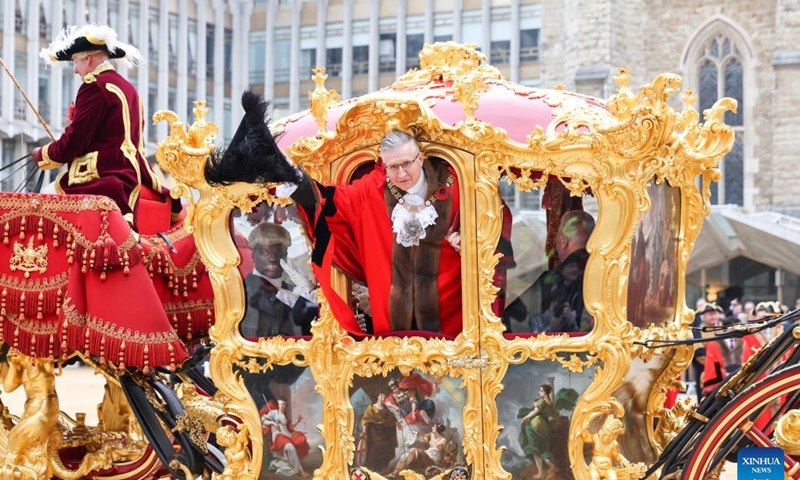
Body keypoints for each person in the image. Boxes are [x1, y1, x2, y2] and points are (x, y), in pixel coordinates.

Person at [204, 93, 462, 337]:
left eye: (407, 164)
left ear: (420, 157)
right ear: (383, 164)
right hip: (391, 329)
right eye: (394, 167)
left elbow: (482, 231)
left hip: (455, 323)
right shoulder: (372, 189)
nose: (402, 173)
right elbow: (328, 202)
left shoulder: (456, 184)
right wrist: (288, 175)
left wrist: (463, 241)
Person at [33, 24, 180, 230]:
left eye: (75, 61)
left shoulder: (94, 86)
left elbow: (76, 139)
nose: (75, 70)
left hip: (104, 174)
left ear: (88, 59)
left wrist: (43, 154)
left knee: (41, 202)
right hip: (132, 174)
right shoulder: (129, 89)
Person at [505, 210, 596, 333]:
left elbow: (517, 323)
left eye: (557, 237)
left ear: (564, 241)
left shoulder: (554, 280)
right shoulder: (602, 275)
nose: (555, 243)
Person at [240, 222, 317, 338]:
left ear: (286, 256)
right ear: (253, 256)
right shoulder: (245, 290)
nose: (273, 258)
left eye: (279, 253)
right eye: (265, 252)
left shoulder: (293, 290)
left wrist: (308, 289)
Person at [261, 397, 311, 477]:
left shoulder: (284, 416)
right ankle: (301, 470)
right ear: (278, 404)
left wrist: (297, 421)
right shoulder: (273, 413)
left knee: (300, 438)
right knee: (290, 447)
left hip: (287, 435)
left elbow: (290, 426)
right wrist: (273, 423)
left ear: (285, 405)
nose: (282, 406)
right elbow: (263, 420)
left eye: (284, 404)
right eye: (281, 404)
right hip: (278, 436)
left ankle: (277, 464)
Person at [518, 384, 557, 480]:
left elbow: (535, 412)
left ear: (545, 392)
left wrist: (525, 417)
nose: (539, 392)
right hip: (545, 426)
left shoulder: (542, 401)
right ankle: (547, 460)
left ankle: (540, 473)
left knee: (534, 448)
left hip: (535, 425)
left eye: (541, 391)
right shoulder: (550, 403)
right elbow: (550, 416)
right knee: (542, 447)